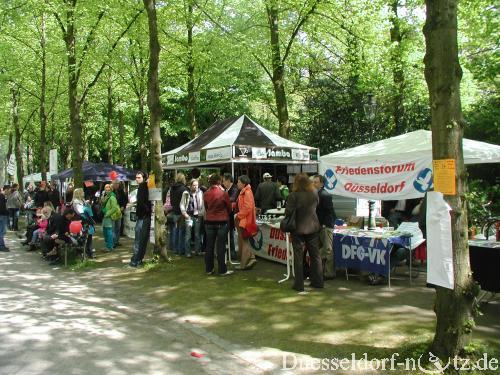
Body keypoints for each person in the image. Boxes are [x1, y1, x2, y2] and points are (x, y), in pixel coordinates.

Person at [285, 173, 323, 292]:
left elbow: (288, 212)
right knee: (315, 256)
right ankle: (318, 282)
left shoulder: (293, 195)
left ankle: (299, 284)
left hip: (298, 229)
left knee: (298, 257)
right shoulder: (314, 193)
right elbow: (317, 206)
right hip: (313, 228)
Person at [203, 174, 232, 276]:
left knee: (209, 246)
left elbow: (206, 208)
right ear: (219, 181)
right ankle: (222, 270)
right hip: (222, 222)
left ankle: (209, 269)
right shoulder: (223, 193)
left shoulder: (206, 194)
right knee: (221, 247)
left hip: (209, 222)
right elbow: (229, 208)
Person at [313, 174, 337, 280]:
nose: (314, 184)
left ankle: (329, 273)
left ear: (322, 183)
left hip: (325, 226)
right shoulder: (318, 194)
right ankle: (321, 271)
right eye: (313, 182)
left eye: (316, 182)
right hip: (320, 226)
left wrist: (324, 224)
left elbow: (329, 211)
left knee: (328, 250)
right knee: (321, 249)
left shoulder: (324, 195)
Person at [235, 175, 257, 270]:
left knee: (245, 243)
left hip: (245, 221)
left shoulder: (246, 192)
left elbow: (248, 207)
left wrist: (238, 215)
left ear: (243, 183)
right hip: (245, 220)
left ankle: (243, 265)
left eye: (238, 182)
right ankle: (251, 259)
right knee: (245, 242)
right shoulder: (246, 191)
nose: (237, 183)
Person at [130, 171, 151, 267]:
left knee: (139, 239)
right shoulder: (143, 187)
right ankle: (137, 259)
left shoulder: (143, 187)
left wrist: (144, 212)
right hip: (142, 216)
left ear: (143, 178)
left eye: (139, 177)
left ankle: (136, 260)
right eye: (136, 177)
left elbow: (143, 203)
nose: (137, 179)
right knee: (140, 239)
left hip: (143, 217)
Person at [180, 179, 204, 257]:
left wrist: (201, 213)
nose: (195, 187)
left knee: (197, 235)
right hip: (189, 216)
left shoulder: (200, 193)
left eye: (197, 185)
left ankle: (197, 251)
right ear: (190, 186)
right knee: (188, 235)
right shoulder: (186, 193)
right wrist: (185, 214)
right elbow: (182, 204)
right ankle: (188, 252)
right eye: (194, 185)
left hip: (198, 216)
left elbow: (203, 204)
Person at [168, 173, 189, 255]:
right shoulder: (184, 189)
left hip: (174, 211)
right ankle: (181, 250)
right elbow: (185, 203)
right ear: (183, 179)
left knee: (175, 231)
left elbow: (171, 201)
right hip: (182, 213)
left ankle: (175, 249)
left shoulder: (172, 188)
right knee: (181, 232)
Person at [72, 188, 95, 259]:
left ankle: (89, 252)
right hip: (81, 221)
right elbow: (80, 212)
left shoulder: (83, 200)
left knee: (89, 236)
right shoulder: (75, 202)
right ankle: (81, 253)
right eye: (82, 192)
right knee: (82, 237)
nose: (84, 193)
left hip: (87, 220)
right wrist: (86, 208)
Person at [223, 173, 239, 259]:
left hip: (231, 218)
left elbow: (232, 199)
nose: (223, 183)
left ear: (229, 181)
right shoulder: (226, 189)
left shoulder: (234, 189)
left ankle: (233, 254)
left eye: (224, 181)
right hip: (227, 217)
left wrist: (222, 199)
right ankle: (230, 253)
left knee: (231, 236)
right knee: (228, 236)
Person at [101, 184, 121, 251]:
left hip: (109, 216)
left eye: (108, 190)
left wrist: (107, 214)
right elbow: (102, 203)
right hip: (106, 216)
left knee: (109, 232)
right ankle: (108, 246)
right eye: (106, 190)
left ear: (111, 190)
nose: (107, 191)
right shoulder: (106, 196)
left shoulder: (112, 197)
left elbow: (114, 208)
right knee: (105, 231)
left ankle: (110, 247)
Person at [112, 180, 128, 247]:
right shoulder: (110, 192)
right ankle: (113, 242)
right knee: (113, 228)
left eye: (117, 183)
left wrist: (123, 207)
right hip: (112, 212)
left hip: (119, 212)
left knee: (118, 227)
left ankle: (117, 241)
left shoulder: (121, 191)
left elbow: (125, 200)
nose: (116, 185)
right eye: (115, 183)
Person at [0, 186, 9, 252]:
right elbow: (2, 207)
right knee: (2, 231)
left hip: (2, 215)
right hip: (2, 215)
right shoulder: (2, 196)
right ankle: (1, 246)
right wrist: (7, 212)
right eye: (8, 190)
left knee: (2, 231)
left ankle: (2, 245)